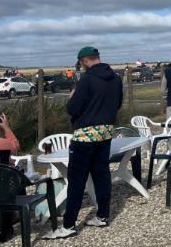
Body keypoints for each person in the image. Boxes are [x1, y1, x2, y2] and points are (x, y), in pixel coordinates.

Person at [44, 46, 122, 239]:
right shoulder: (115, 78)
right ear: (97, 58)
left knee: (77, 180)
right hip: (105, 132)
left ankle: (69, 225)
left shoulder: (86, 79)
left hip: (85, 135)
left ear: (84, 60)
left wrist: (72, 97)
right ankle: (102, 216)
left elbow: (73, 109)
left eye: (80, 63)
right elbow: (118, 103)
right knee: (102, 175)